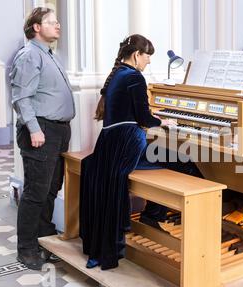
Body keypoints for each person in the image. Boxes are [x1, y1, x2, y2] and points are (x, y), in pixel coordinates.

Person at [79, 35, 201, 271]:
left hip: (110, 144)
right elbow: (144, 118)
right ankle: (155, 216)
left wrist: (155, 118)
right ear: (137, 55)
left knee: (171, 156)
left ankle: (152, 214)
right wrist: (165, 121)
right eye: (148, 57)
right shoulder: (134, 76)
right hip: (129, 146)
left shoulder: (116, 75)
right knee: (184, 161)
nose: (148, 62)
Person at [10, 7, 75, 270]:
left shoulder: (49, 54)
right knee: (36, 192)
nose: (58, 25)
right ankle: (26, 248)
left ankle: (44, 239)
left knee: (50, 189)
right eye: (51, 22)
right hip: (41, 130)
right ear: (36, 27)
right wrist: (35, 129)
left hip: (58, 130)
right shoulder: (28, 56)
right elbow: (21, 98)